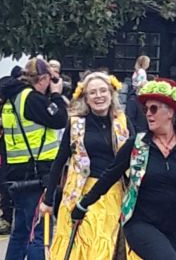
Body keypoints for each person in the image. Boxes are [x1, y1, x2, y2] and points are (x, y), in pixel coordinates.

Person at [72, 78, 176, 259]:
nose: (148, 114)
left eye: (154, 109)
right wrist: (83, 204)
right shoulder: (137, 145)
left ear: (170, 112)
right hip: (141, 223)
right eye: (145, 110)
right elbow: (109, 176)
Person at [40, 71, 132, 259]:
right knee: (79, 244)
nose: (99, 96)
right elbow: (59, 161)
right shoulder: (76, 124)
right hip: (79, 192)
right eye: (93, 93)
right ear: (86, 98)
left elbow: (138, 156)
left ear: (111, 93)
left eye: (103, 91)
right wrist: (48, 199)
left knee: (103, 245)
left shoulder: (122, 122)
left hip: (112, 193)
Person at [0, 58, 67, 260]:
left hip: (17, 172)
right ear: (44, 78)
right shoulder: (32, 99)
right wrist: (56, 94)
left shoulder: (12, 99)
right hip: (37, 173)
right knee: (40, 232)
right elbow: (60, 119)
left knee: (20, 231)